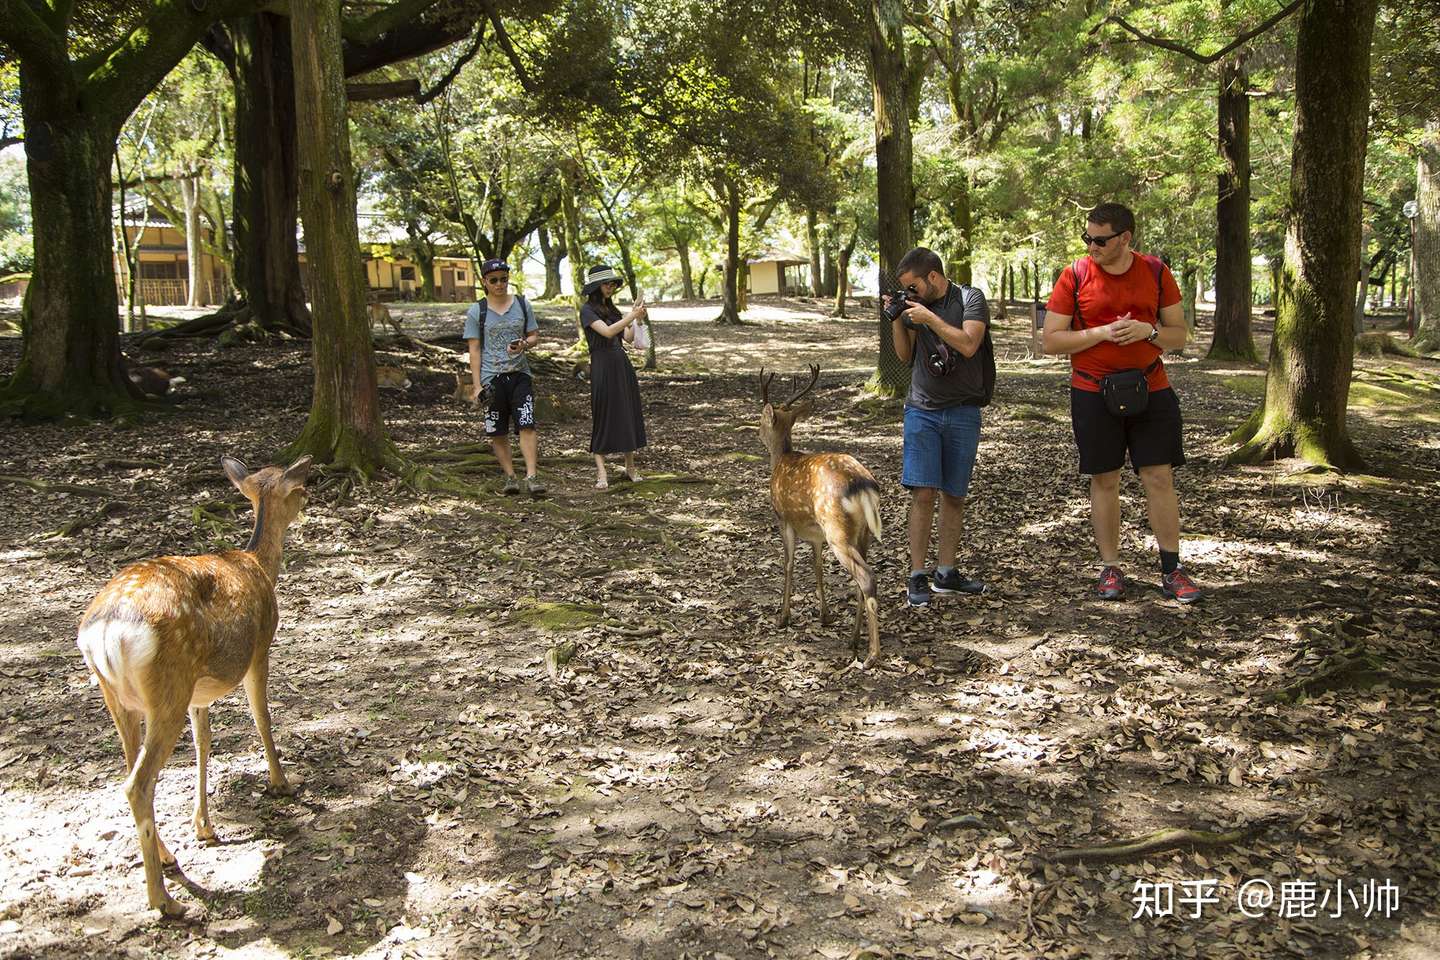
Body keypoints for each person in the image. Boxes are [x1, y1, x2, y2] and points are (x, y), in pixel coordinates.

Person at [1041, 202, 1202, 603]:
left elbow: (1180, 336)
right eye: (1087, 239)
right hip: (1093, 391)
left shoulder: (1155, 272)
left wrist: (1149, 331)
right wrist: (1102, 333)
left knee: (1159, 477)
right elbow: (1051, 341)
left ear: (1125, 237)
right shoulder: (1074, 275)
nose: (1091, 246)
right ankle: (1110, 567)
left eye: (1100, 239)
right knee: (1105, 479)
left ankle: (1172, 568)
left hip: (1151, 388)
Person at [885, 247, 995, 608]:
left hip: (963, 411)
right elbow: (904, 356)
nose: (911, 294)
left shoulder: (970, 298)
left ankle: (946, 572)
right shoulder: (915, 309)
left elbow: (968, 343)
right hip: (922, 411)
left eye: (913, 287)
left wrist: (928, 317)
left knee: (954, 495)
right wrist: (898, 319)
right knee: (923, 493)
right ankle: (917, 574)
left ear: (933, 277)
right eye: (906, 290)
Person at [464, 258, 545, 496]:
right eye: (494, 280)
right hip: (492, 378)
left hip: (520, 374)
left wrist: (523, 345)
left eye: (504, 279)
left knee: (527, 424)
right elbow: (475, 350)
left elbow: (533, 336)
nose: (500, 284)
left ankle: (531, 476)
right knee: (497, 431)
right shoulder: (476, 311)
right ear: (484, 282)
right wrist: (477, 386)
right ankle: (510, 477)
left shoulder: (521, 303)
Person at [579, 264, 648, 489]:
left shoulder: (613, 310)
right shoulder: (587, 310)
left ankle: (630, 467)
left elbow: (626, 337)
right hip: (602, 364)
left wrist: (637, 318)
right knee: (603, 413)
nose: (610, 288)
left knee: (626, 412)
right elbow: (607, 332)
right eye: (606, 284)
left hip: (621, 364)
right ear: (596, 287)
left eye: (612, 284)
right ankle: (601, 472)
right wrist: (631, 315)